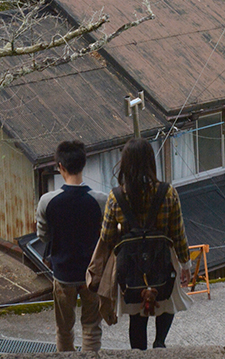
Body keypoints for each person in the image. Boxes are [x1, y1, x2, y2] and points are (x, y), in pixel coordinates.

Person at [91, 138, 191, 350]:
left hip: (131, 266)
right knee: (167, 302)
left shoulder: (116, 197)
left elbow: (107, 236)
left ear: (125, 164)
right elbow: (178, 233)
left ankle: (139, 353)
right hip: (163, 260)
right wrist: (185, 265)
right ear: (150, 162)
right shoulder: (168, 192)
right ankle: (160, 343)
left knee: (137, 314)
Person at [36, 140, 108, 352]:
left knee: (64, 328)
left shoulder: (47, 201)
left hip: (63, 273)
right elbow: (106, 237)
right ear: (83, 164)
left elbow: (43, 236)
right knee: (92, 327)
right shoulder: (100, 200)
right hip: (91, 274)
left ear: (60, 166)